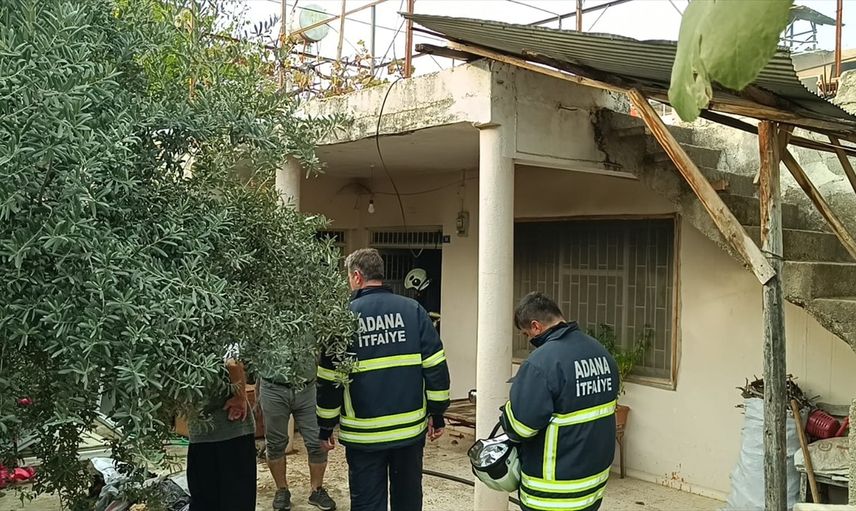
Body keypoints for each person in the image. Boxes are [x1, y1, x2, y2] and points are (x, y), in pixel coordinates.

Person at [316, 248, 451, 511]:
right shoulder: (413, 310)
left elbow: (330, 379)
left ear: (357, 276)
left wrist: (325, 426)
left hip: (364, 436)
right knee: (407, 500)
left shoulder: (342, 318)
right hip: (408, 432)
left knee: (368, 503)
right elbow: (435, 367)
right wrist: (437, 415)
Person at [500, 292, 619, 511]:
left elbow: (521, 428)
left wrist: (508, 409)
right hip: (592, 486)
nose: (528, 339)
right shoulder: (601, 353)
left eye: (526, 334)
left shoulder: (541, 362)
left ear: (535, 326)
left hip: (553, 492)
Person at [258, 332, 336, 511]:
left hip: (307, 387)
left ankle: (316, 489)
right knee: (275, 443)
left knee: (317, 441)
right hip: (273, 386)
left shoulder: (313, 317)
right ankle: (281, 489)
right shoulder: (264, 317)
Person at [186, 345, 257, 511]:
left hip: (199, 430)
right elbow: (232, 362)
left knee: (204, 501)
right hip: (231, 427)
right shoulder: (221, 332)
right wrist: (240, 397)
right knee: (238, 499)